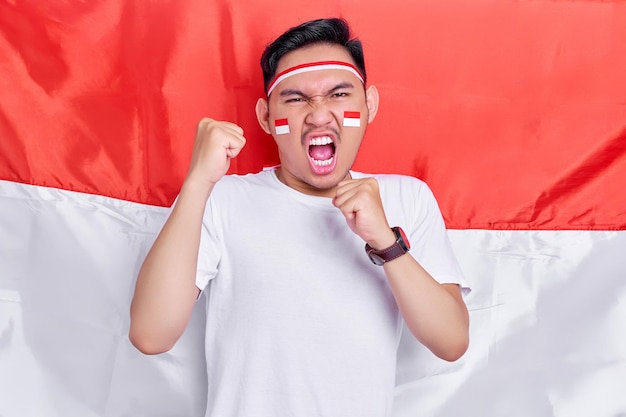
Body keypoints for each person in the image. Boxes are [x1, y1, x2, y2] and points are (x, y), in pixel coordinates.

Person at [129, 17, 470, 417]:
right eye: (295, 99)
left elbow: (451, 342)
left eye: (339, 93)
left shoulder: (406, 198)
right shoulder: (222, 199)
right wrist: (197, 183)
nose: (319, 114)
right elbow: (150, 334)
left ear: (369, 105)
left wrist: (386, 242)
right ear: (266, 117)